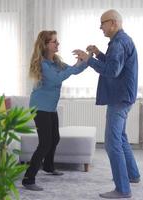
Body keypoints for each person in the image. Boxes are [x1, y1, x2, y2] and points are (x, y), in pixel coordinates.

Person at [72, 9, 140, 199]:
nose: (100, 27)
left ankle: (123, 189)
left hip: (118, 98)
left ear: (114, 23)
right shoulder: (122, 40)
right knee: (122, 137)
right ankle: (133, 175)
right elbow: (114, 63)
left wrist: (89, 60)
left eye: (102, 23)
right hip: (124, 96)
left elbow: (112, 71)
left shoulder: (119, 42)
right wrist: (99, 53)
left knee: (112, 143)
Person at [22, 30, 88, 191]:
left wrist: (86, 59)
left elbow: (74, 70)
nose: (58, 44)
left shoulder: (55, 61)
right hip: (40, 107)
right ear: (45, 45)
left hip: (50, 107)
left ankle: (48, 167)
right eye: (54, 41)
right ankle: (28, 178)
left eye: (57, 41)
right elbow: (58, 78)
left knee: (55, 138)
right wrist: (77, 65)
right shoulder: (43, 64)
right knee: (45, 143)